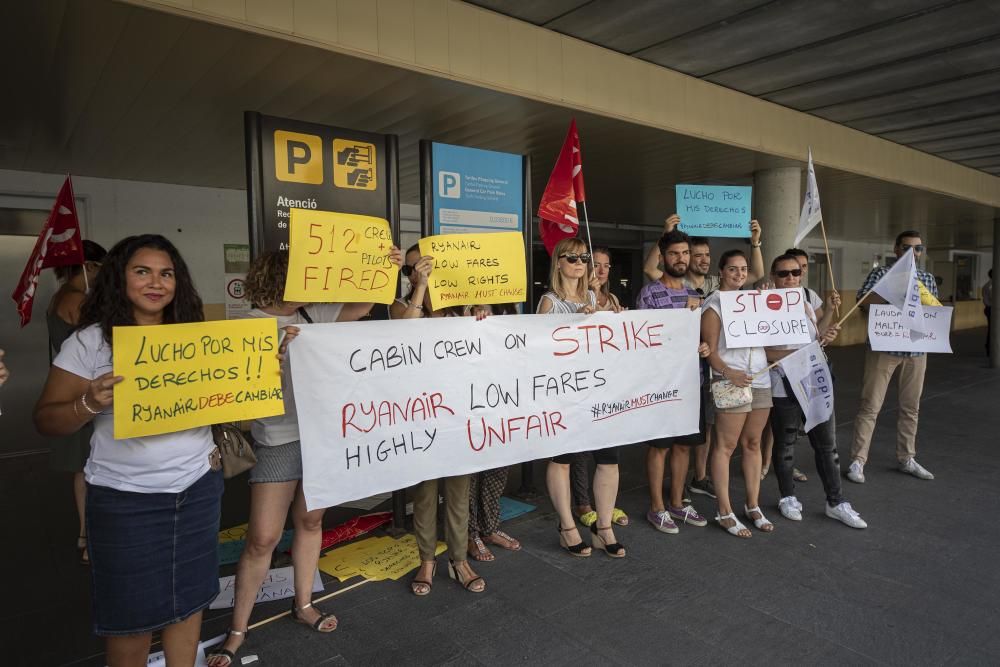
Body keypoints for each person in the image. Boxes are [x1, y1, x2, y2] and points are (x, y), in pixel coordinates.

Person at [207, 245, 402, 667]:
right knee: (262, 538)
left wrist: (383, 265)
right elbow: (235, 395)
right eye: (302, 277)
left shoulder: (314, 316)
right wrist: (270, 362)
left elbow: (365, 302)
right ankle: (237, 629)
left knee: (311, 520)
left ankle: (304, 603)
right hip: (277, 440)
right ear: (279, 280)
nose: (311, 284)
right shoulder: (246, 325)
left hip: (322, 438)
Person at [34, 234, 222, 666]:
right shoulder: (90, 343)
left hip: (197, 490)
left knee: (190, 602)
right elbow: (46, 419)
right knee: (131, 618)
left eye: (166, 273)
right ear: (119, 278)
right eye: (142, 271)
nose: (156, 282)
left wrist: (261, 371)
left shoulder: (197, 340)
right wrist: (90, 402)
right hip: (125, 501)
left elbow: (229, 394)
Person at [398, 258, 487, 594]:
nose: (428, 275)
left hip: (457, 415)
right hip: (418, 415)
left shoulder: (461, 313)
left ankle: (458, 558)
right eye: (419, 271)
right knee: (424, 493)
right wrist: (420, 288)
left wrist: (480, 318)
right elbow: (403, 334)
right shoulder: (403, 306)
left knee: (458, 493)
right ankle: (427, 560)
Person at [764, 255, 867, 528]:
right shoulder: (761, 306)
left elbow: (816, 339)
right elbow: (760, 351)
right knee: (785, 445)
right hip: (783, 383)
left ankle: (836, 501)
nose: (790, 278)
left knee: (827, 446)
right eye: (783, 273)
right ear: (773, 276)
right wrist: (794, 353)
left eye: (795, 273)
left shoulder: (807, 304)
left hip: (813, 380)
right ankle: (787, 497)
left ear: (801, 275)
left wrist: (826, 335)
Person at [539, 237, 624, 558]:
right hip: (566, 395)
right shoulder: (550, 302)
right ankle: (567, 526)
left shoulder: (595, 297)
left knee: (608, 457)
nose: (579, 262)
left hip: (601, 391)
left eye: (583, 257)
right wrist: (577, 322)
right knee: (562, 459)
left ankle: (604, 527)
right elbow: (544, 351)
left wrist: (613, 319)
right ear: (558, 263)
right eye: (571, 257)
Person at [636, 230, 711, 535]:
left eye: (685, 253)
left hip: (692, 382)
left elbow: (704, 336)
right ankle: (657, 508)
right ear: (663, 257)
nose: (681, 259)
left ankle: (678, 502)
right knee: (660, 448)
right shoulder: (649, 294)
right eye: (674, 254)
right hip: (662, 385)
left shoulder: (696, 295)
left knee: (683, 447)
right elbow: (642, 341)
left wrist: (705, 346)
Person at [848, 231, 938, 484]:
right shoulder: (881, 274)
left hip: (917, 350)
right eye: (908, 248)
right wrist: (895, 286)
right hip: (884, 348)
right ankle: (858, 460)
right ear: (896, 249)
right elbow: (863, 302)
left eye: (918, 249)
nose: (913, 253)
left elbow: (933, 312)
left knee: (911, 407)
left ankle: (906, 457)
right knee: (870, 405)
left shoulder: (927, 278)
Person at [701, 249, 774, 538]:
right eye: (733, 269)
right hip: (731, 380)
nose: (739, 274)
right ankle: (724, 510)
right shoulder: (714, 304)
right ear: (722, 271)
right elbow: (710, 351)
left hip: (760, 378)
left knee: (754, 443)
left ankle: (752, 505)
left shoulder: (754, 301)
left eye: (743, 269)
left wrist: (770, 304)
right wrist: (727, 372)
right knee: (726, 446)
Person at [46, 239, 107, 565]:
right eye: (100, 268)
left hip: (71, 386)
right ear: (89, 266)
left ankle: (85, 533)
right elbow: (101, 336)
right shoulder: (78, 300)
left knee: (82, 466)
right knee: (90, 465)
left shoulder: (59, 297)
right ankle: (90, 537)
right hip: (83, 391)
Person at [568, 247, 629, 530]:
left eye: (607, 265)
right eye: (596, 264)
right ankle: (583, 503)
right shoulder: (580, 298)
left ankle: (605, 502)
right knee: (580, 447)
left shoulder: (613, 298)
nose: (601, 270)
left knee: (606, 444)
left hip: (607, 380)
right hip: (580, 382)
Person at [467, 304, 523, 562]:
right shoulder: (456, 310)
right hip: (468, 398)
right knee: (469, 473)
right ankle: (470, 534)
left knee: (497, 468)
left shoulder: (508, 309)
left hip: (502, 396)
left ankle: (488, 528)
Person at [643, 214, 765, 285]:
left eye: (707, 255)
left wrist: (755, 242)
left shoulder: (719, 283)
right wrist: (666, 235)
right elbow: (649, 269)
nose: (704, 260)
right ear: (687, 258)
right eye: (698, 256)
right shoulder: (676, 283)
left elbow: (757, 274)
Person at [984, 269, 993, 357]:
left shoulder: (989, 284)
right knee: (992, 330)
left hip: (990, 308)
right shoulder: (991, 285)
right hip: (992, 309)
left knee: (992, 329)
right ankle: (990, 349)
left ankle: (989, 348)